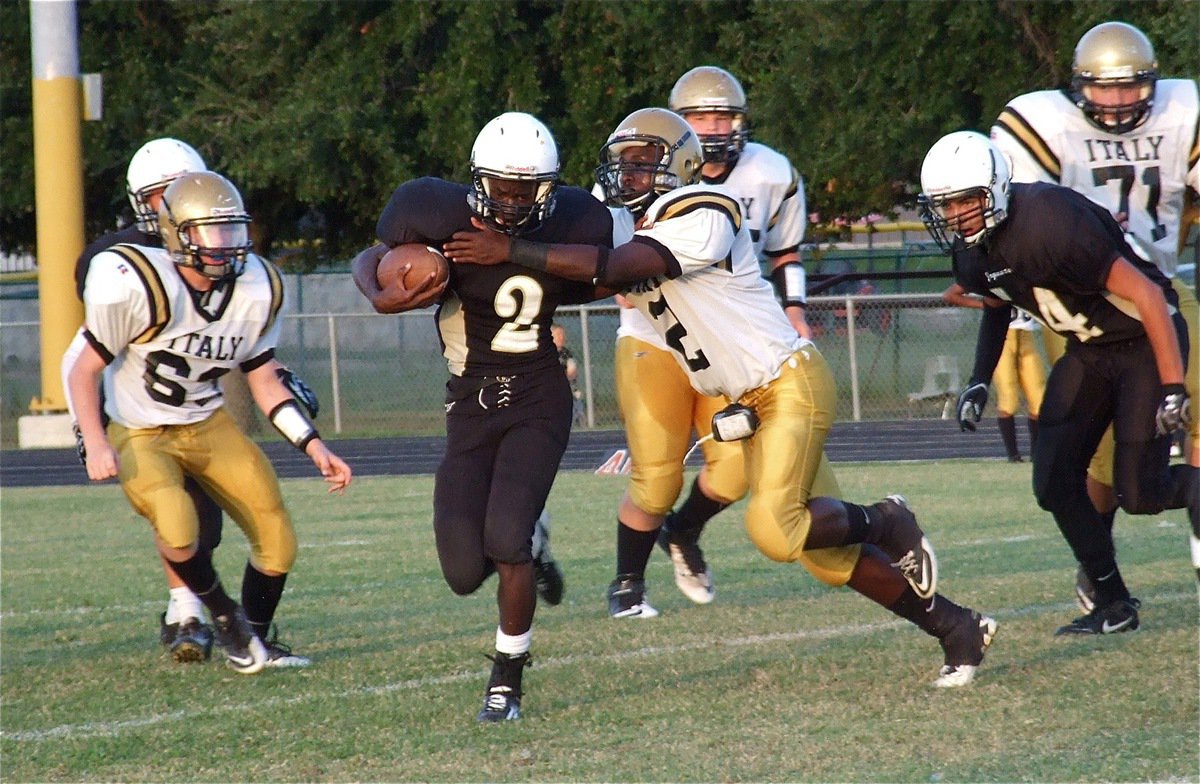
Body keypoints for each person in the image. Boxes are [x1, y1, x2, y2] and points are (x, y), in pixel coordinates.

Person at [446, 107, 998, 687]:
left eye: (641, 165)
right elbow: (583, 275)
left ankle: (887, 518)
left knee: (775, 529)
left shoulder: (707, 208)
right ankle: (958, 629)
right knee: (825, 552)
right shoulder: (626, 224)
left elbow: (617, 266)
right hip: (746, 400)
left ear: (679, 166)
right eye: (620, 165)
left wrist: (510, 252)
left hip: (787, 381)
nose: (626, 177)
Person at [350, 112, 612, 722]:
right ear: (477, 180)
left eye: (529, 189)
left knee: (504, 541)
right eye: (504, 187)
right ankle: (534, 540)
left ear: (550, 186)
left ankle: (507, 679)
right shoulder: (430, 209)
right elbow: (377, 256)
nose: (515, 199)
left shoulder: (576, 218)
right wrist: (378, 292)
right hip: (468, 403)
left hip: (538, 396)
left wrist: (517, 251)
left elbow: (605, 268)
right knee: (465, 572)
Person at [66, 171, 352, 674]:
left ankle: (255, 640)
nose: (225, 244)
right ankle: (226, 620)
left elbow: (264, 381)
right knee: (177, 520)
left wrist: (312, 445)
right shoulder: (139, 282)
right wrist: (93, 440)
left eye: (231, 229)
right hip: (140, 429)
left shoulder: (258, 287)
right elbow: (81, 368)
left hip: (206, 422)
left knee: (278, 539)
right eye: (210, 231)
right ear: (178, 234)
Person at [919, 130, 1197, 635]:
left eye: (967, 200)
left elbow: (1150, 296)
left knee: (1140, 493)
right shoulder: (972, 251)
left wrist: (1174, 384)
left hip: (1140, 341)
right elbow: (997, 305)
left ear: (997, 188)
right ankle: (1112, 603)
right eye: (946, 205)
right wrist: (980, 380)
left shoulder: (1050, 222)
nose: (957, 215)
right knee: (1052, 480)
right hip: (1089, 351)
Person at [989, 20, 1200, 595]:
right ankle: (1099, 570)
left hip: (1155, 282)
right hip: (1082, 299)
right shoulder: (1040, 123)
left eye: (1130, 86)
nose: (1116, 100)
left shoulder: (1184, 110)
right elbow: (1025, 217)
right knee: (1106, 460)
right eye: (1103, 88)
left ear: (1152, 82)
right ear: (1078, 84)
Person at [602, 66, 815, 613]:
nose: (712, 127)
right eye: (699, 116)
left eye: (722, 115)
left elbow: (785, 252)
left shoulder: (769, 173)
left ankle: (684, 532)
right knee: (656, 478)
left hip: (727, 345)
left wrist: (794, 308)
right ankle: (628, 582)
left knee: (736, 471)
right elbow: (600, 258)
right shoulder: (630, 172)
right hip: (655, 339)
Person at [942, 284, 1046, 463]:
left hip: (1027, 337)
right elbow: (950, 295)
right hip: (1002, 339)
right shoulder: (993, 267)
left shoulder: (1028, 266)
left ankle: (1037, 455)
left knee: (1039, 399)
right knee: (1008, 397)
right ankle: (1013, 455)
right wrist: (987, 306)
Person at [550, 322, 584, 425]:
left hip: (565, 388)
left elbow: (572, 372)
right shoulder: (546, 352)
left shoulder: (566, 353)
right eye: (558, 335)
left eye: (563, 335)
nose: (562, 337)